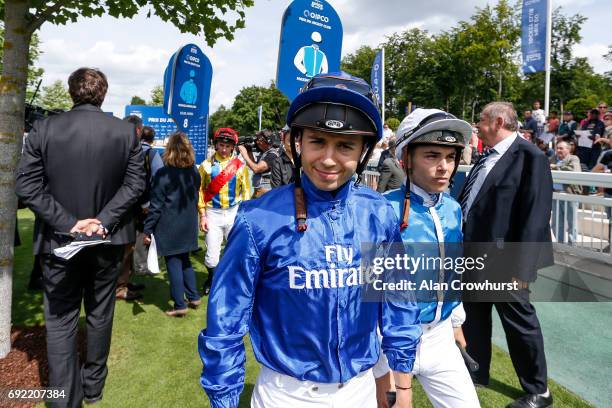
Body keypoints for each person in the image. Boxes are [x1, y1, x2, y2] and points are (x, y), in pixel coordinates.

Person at [198, 72, 421, 408]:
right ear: (297, 142)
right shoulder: (257, 219)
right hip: (286, 395)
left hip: (359, 392)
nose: (329, 159)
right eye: (317, 141)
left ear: (364, 150)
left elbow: (397, 302)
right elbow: (226, 322)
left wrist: (401, 387)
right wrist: (224, 398)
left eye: (345, 145)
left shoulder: (378, 213)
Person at [15, 67, 145, 407]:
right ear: (102, 94)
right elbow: (135, 186)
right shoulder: (125, 132)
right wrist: (87, 222)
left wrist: (83, 222)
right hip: (101, 239)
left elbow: (27, 185)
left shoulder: (44, 128)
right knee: (99, 316)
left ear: (73, 93)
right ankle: (92, 389)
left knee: (61, 321)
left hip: (74, 239)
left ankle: (67, 398)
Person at [374, 108, 480, 408]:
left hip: (440, 338)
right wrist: (383, 369)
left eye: (450, 157)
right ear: (405, 159)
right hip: (390, 341)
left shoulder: (453, 208)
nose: (444, 167)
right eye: (432, 156)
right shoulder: (381, 210)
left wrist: (456, 322)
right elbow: (367, 291)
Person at [458, 102, 554, 408]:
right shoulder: (487, 156)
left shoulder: (531, 157)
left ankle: (539, 390)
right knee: (474, 317)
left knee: (519, 324)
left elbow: (535, 215)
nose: (477, 127)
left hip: (506, 260)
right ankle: (476, 371)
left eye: (481, 121)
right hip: (475, 254)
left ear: (498, 121)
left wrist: (522, 268)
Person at [143, 132, 201, 317]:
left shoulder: (163, 174)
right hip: (188, 223)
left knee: (174, 263)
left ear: (170, 149)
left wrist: (147, 229)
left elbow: (156, 206)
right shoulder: (194, 171)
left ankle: (179, 305)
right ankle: (193, 296)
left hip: (169, 226)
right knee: (185, 261)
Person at [198, 127, 251, 295]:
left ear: (233, 147)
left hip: (233, 212)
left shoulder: (240, 166)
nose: (224, 149)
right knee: (212, 254)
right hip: (212, 213)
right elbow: (199, 191)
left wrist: (245, 214)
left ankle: (233, 279)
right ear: (215, 145)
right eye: (221, 145)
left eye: (227, 146)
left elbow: (246, 191)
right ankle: (211, 279)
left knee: (236, 250)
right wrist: (203, 215)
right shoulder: (206, 166)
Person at [114, 115, 147, 301]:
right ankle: (119, 287)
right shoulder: (126, 151)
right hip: (124, 210)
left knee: (128, 250)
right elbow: (135, 183)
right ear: (136, 130)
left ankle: (124, 283)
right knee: (123, 251)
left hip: (127, 209)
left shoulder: (121, 148)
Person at [132, 125, 164, 276]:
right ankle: (142, 266)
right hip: (147, 201)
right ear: (152, 139)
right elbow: (159, 179)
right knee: (144, 233)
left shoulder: (130, 151)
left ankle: (131, 268)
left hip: (129, 199)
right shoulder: (152, 154)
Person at [550, 140, 582, 244]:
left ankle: (572, 245)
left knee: (571, 221)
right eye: (557, 148)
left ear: (568, 150)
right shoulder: (553, 158)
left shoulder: (573, 158)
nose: (558, 150)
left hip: (569, 194)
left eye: (561, 148)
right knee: (556, 222)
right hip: (555, 193)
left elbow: (574, 170)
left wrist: (556, 167)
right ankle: (559, 244)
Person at [238, 129, 279, 197]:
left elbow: (256, 169)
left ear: (268, 140)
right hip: (259, 190)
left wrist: (244, 154)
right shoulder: (265, 153)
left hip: (265, 191)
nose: (257, 141)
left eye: (259, 139)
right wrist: (249, 150)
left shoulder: (272, 155)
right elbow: (252, 164)